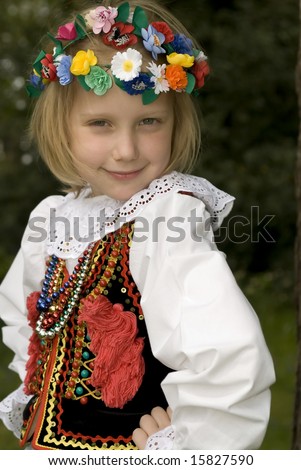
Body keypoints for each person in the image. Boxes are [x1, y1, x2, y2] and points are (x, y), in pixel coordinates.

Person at [0, 0, 275, 450]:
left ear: (175, 123)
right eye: (101, 123)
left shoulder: (165, 215)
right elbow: (24, 316)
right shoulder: (52, 219)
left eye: (149, 122)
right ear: (61, 128)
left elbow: (228, 353)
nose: (126, 150)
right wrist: (35, 393)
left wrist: (186, 446)